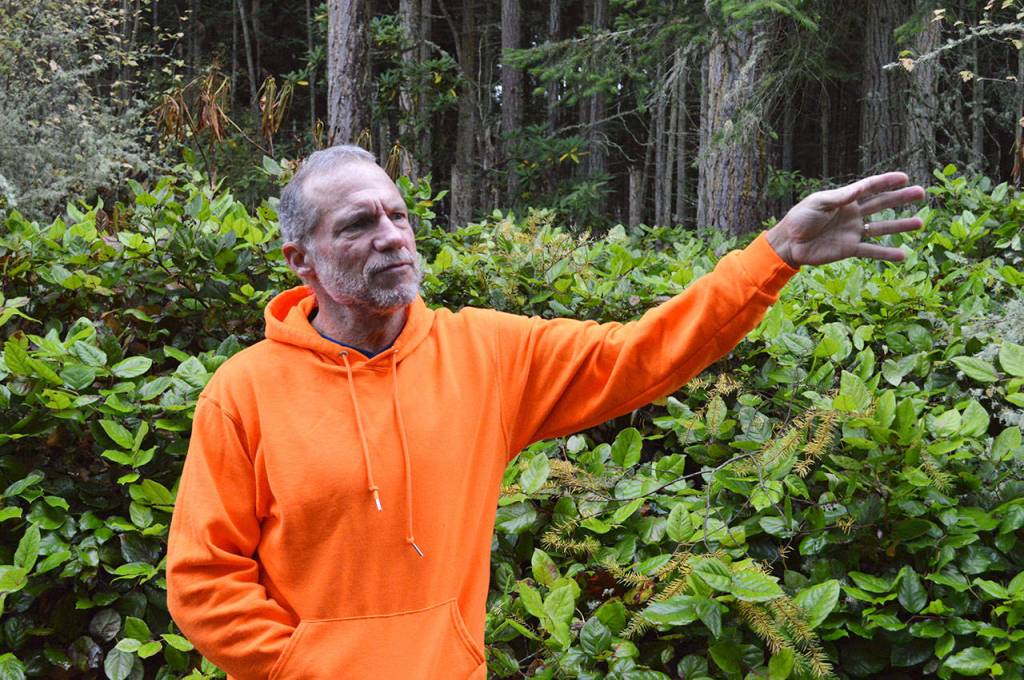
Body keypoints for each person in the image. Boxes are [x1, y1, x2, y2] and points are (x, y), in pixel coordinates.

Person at [165, 144, 925, 680]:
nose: (391, 237)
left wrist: (776, 253)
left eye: (396, 215)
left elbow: (642, 354)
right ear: (302, 259)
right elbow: (204, 581)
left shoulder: (486, 354)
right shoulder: (243, 392)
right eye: (357, 224)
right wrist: (306, 667)